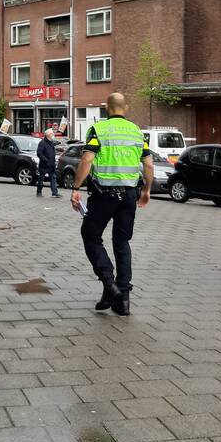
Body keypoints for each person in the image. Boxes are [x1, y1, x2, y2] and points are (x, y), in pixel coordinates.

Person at [70, 93, 152, 316]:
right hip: (129, 196)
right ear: (126, 107)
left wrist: (76, 188)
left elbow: (87, 159)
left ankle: (109, 284)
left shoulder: (99, 130)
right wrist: (146, 190)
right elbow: (148, 164)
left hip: (104, 195)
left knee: (90, 234)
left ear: (107, 108)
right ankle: (123, 301)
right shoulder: (137, 132)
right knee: (122, 242)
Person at [36, 129, 60, 197]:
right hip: (44, 164)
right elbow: (39, 153)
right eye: (52, 134)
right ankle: (39, 192)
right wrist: (46, 160)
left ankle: (55, 193)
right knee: (41, 178)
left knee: (53, 178)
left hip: (51, 164)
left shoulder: (51, 142)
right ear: (48, 135)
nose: (53, 135)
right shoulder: (42, 143)